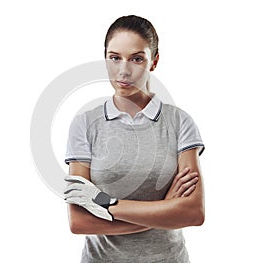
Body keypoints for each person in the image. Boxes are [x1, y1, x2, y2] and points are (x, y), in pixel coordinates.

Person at [63, 15, 205, 263]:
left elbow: (193, 213)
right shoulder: (85, 124)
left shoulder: (179, 122)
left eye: (137, 59)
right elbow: (80, 221)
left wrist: (107, 204)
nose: (124, 70)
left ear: (154, 61)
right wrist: (165, 208)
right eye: (114, 58)